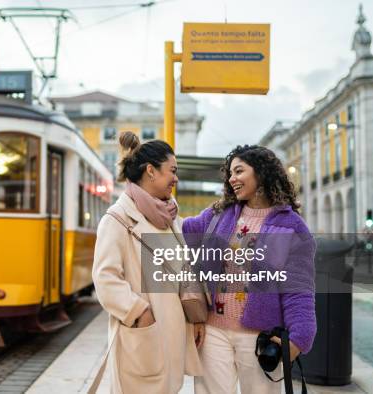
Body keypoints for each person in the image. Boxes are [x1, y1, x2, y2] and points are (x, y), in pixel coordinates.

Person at [183, 145, 316, 394]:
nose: (232, 178)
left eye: (239, 171)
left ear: (262, 173)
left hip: (259, 337)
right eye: (230, 173)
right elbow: (183, 231)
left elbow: (298, 288)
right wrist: (161, 205)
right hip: (213, 332)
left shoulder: (292, 226)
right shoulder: (219, 214)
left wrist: (300, 336)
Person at [92, 131, 203, 393]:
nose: (176, 178)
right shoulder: (117, 219)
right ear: (151, 171)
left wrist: (195, 317)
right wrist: (140, 314)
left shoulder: (169, 216)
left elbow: (183, 269)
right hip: (144, 335)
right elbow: (105, 279)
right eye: (172, 170)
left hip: (173, 334)